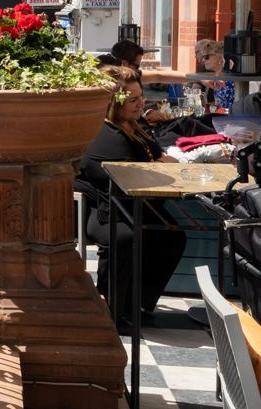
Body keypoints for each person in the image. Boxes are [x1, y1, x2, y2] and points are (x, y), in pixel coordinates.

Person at [79, 64, 186, 324]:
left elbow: (158, 158)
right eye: (134, 100)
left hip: (131, 201)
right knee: (126, 237)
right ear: (114, 102)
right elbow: (134, 173)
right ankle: (110, 309)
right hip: (100, 206)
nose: (141, 104)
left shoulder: (134, 125)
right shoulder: (106, 133)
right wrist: (159, 165)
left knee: (171, 237)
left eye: (142, 97)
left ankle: (136, 304)